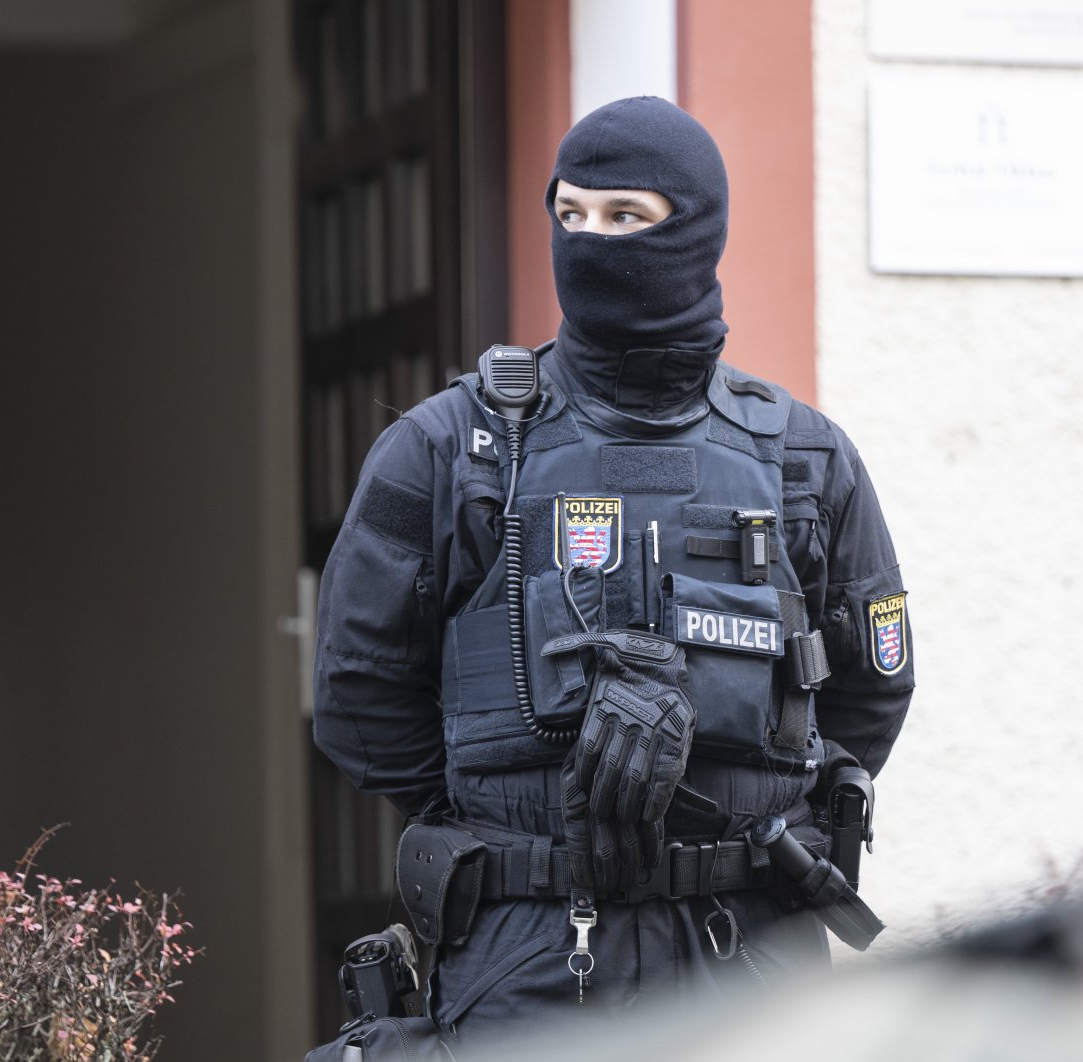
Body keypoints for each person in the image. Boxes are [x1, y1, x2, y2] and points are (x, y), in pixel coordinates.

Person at [312, 97, 914, 1040]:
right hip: (528, 956)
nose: (590, 239)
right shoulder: (443, 450)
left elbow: (874, 689)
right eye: (570, 214)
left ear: (697, 228)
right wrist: (525, 823)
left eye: (625, 215)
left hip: (753, 959)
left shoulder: (804, 456)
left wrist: (746, 803)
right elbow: (358, 700)